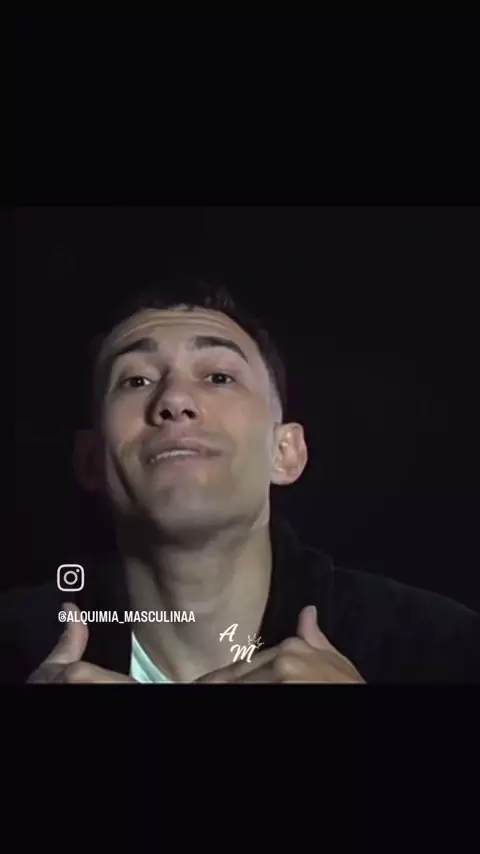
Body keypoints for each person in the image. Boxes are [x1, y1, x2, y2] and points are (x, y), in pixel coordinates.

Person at [4, 278, 479, 684]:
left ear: (285, 452)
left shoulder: (443, 649)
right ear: (90, 460)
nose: (174, 400)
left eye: (218, 377)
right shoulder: (14, 643)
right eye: (136, 381)